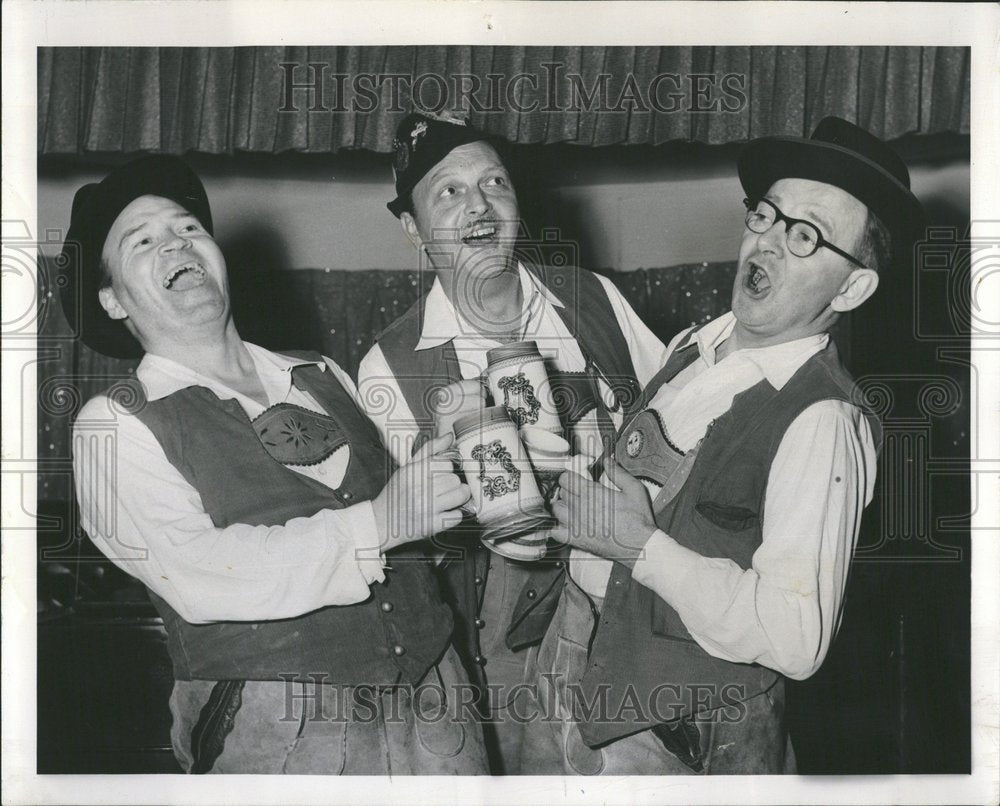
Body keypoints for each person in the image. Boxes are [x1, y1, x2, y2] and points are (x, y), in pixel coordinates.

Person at [523, 117, 925, 774]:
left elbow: (799, 639)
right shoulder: (694, 346)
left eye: (805, 235)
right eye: (765, 216)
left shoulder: (825, 421)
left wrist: (639, 548)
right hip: (570, 660)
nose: (765, 242)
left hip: (676, 725)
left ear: (852, 288)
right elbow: (642, 491)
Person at [63, 155, 488, 775]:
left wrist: (457, 459)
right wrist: (380, 524)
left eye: (188, 229)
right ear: (112, 300)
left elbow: (417, 526)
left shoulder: (322, 375)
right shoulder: (115, 422)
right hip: (281, 733)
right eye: (143, 241)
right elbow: (196, 573)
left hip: (439, 703)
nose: (176, 244)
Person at [356, 112, 668, 772]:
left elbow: (669, 422)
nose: (479, 203)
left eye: (495, 181)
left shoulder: (594, 300)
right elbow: (407, 548)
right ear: (412, 229)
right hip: (503, 635)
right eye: (448, 190)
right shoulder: (389, 365)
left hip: (634, 600)